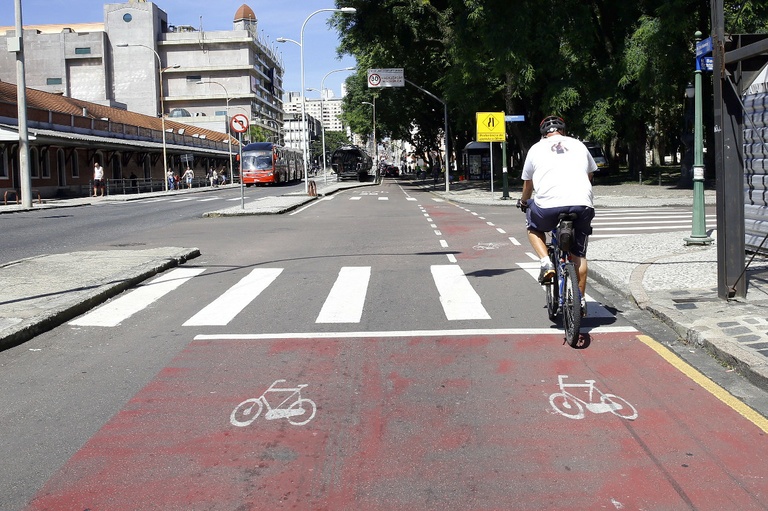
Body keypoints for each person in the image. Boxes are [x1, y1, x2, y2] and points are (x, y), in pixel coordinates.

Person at [517, 115, 596, 314]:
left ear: (544, 134)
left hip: (548, 207)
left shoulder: (535, 148)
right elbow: (590, 174)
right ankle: (582, 300)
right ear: (564, 130)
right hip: (582, 205)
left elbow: (528, 184)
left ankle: (546, 262)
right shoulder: (578, 144)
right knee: (579, 255)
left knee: (533, 227)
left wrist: (525, 202)